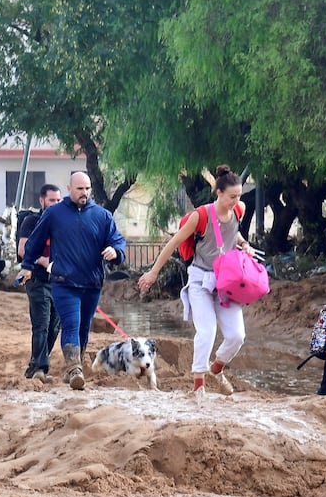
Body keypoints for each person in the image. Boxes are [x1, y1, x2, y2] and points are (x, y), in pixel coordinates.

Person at [137, 165, 257, 395]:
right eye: (232, 196)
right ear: (219, 192)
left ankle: (217, 367)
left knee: (237, 336)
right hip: (201, 280)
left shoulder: (238, 210)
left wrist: (244, 244)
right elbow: (172, 244)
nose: (236, 200)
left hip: (227, 283)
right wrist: (153, 273)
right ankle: (199, 385)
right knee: (207, 331)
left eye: (239, 196)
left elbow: (233, 233)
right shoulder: (200, 216)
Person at [20, 171, 127, 390]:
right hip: (63, 281)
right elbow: (35, 241)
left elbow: (118, 241)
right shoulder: (55, 214)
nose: (84, 193)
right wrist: (27, 266)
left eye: (87, 189)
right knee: (70, 323)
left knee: (84, 328)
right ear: (69, 189)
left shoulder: (102, 216)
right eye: (80, 189)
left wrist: (115, 252)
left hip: (92, 283)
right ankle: (75, 369)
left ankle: (74, 365)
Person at [16, 183, 63, 382]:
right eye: (52, 200)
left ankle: (35, 366)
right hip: (36, 279)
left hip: (59, 281)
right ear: (42, 201)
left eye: (59, 200)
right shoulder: (31, 221)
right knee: (41, 324)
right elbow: (23, 250)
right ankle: (41, 369)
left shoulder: (62, 222)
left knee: (54, 327)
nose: (56, 204)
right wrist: (42, 261)